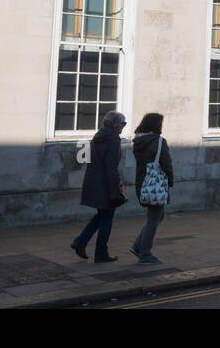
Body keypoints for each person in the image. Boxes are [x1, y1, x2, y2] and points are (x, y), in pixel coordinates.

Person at [71, 111, 127, 263]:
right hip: (106, 185)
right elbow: (111, 167)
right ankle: (101, 253)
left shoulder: (98, 136)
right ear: (116, 125)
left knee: (101, 216)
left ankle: (80, 242)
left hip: (94, 182)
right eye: (123, 123)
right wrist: (115, 190)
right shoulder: (114, 139)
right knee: (107, 218)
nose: (124, 127)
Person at [130, 112, 174, 264]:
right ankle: (144, 254)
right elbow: (166, 163)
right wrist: (171, 180)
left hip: (143, 183)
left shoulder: (138, 142)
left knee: (156, 216)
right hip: (156, 183)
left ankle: (138, 246)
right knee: (154, 218)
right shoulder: (160, 142)